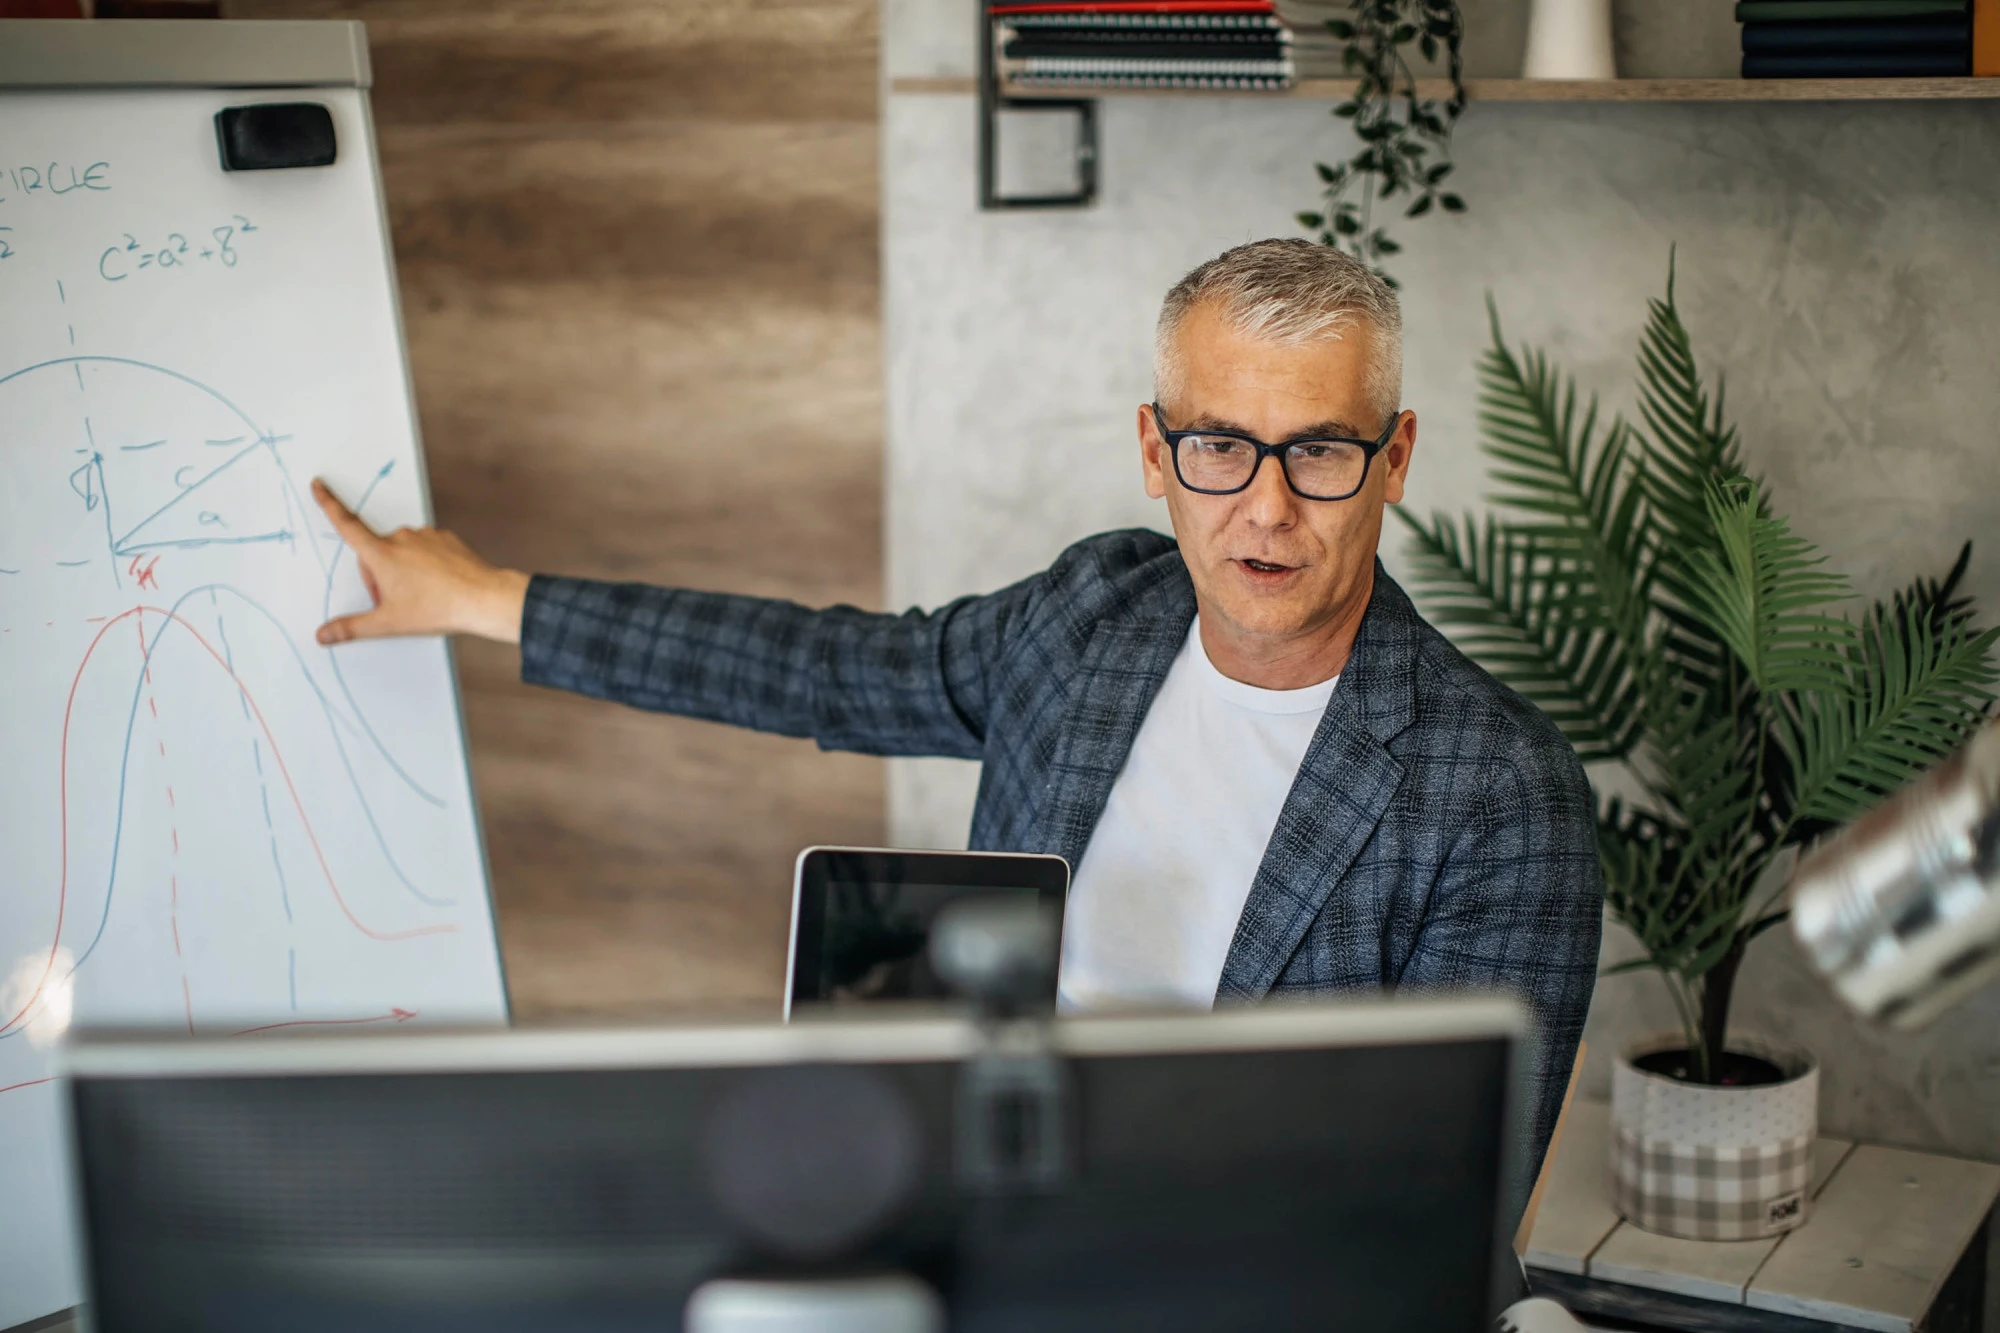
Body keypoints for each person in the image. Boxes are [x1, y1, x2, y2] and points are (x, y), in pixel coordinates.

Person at [312, 238, 1604, 1188]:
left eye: (1319, 451)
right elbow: (825, 670)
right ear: (1156, 454)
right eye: (1219, 447)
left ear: (1396, 458)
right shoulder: (1097, 613)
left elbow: (1451, 1193)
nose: (1265, 507)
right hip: (970, 1183)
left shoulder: (1499, 792)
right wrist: (490, 602)